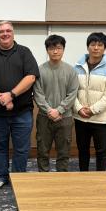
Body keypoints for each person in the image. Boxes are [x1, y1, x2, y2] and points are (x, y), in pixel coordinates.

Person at [0, 21, 39, 191]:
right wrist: (1, 97)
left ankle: (18, 177)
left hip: (22, 112)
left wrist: (11, 94)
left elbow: (31, 77)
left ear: (13, 33)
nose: (5, 34)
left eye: (8, 31)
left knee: (21, 147)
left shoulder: (24, 52)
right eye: (1, 31)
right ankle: (1, 176)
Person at [73, 32, 106, 171]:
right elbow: (71, 91)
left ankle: (100, 179)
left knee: (101, 151)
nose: (96, 48)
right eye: (93, 44)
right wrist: (79, 108)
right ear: (88, 47)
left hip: (100, 117)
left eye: (100, 45)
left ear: (104, 48)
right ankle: (83, 177)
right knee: (83, 150)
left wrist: (92, 109)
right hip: (80, 116)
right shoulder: (77, 67)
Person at [33, 34, 78, 172]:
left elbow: (73, 93)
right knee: (42, 151)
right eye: (52, 48)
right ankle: (43, 177)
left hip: (65, 118)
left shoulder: (71, 70)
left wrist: (59, 110)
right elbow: (38, 93)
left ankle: (61, 178)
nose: (55, 51)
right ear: (47, 50)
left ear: (63, 49)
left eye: (59, 48)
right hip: (44, 117)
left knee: (64, 152)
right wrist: (49, 111)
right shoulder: (39, 70)